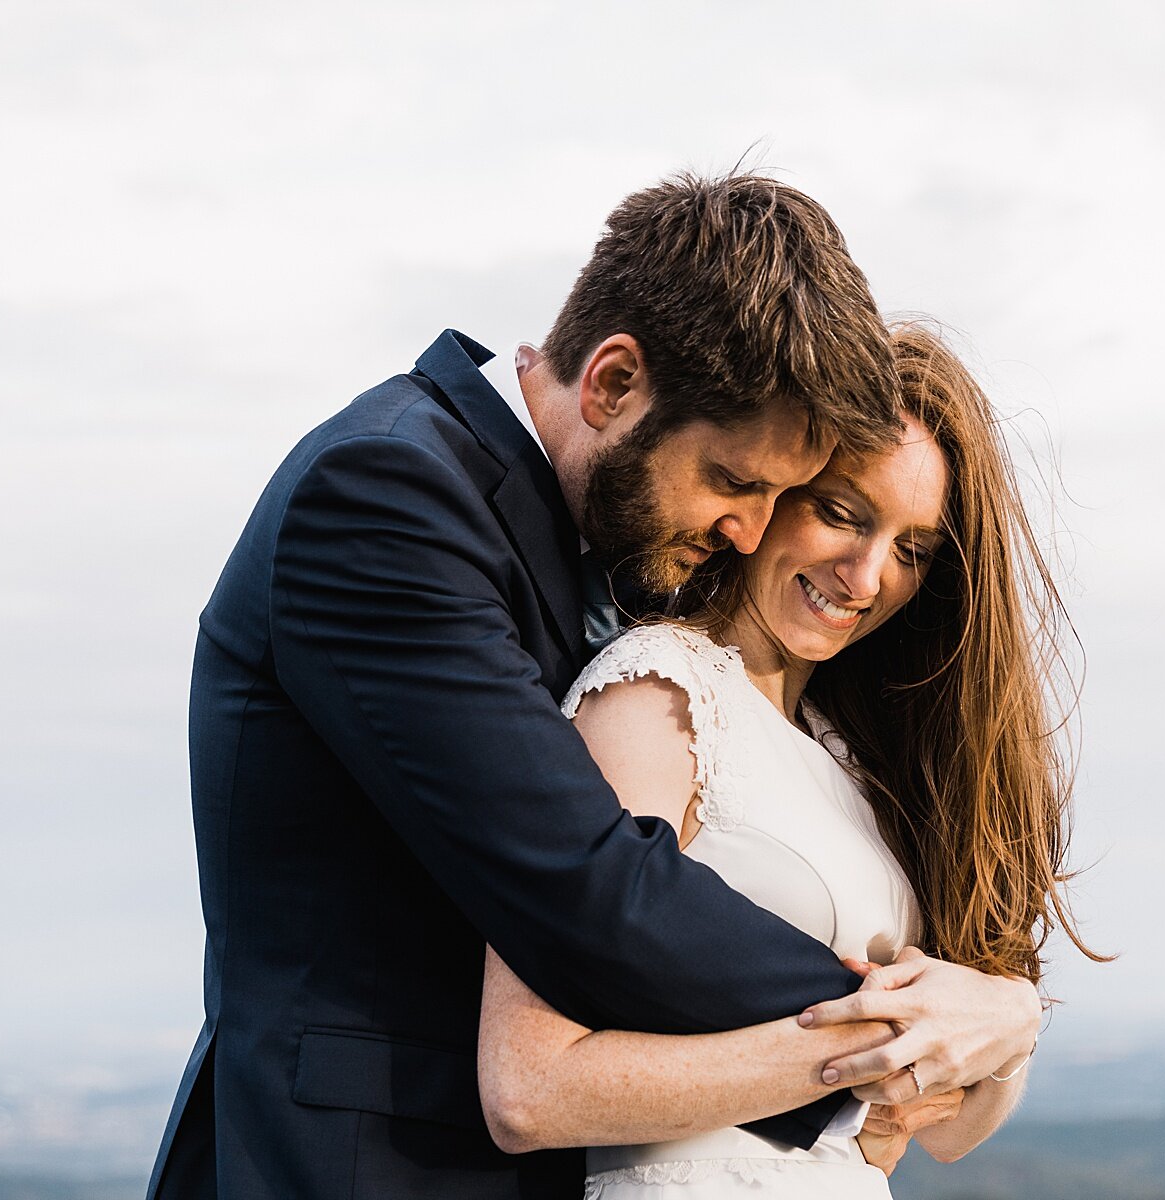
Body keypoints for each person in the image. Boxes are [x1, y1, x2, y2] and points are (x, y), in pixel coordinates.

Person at [149, 174, 1041, 1200]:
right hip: (358, 1169)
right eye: (738, 483)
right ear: (613, 383)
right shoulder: (386, 498)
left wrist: (982, 1018)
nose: (748, 531)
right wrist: (915, 1020)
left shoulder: (588, 546)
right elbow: (586, 885)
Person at [476, 324, 1110, 1197]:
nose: (865, 575)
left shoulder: (851, 755)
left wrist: (1008, 1022)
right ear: (772, 489)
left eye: (912, 549)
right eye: (843, 513)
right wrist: (880, 1049)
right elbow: (532, 1087)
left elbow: (953, 1130)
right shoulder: (654, 696)